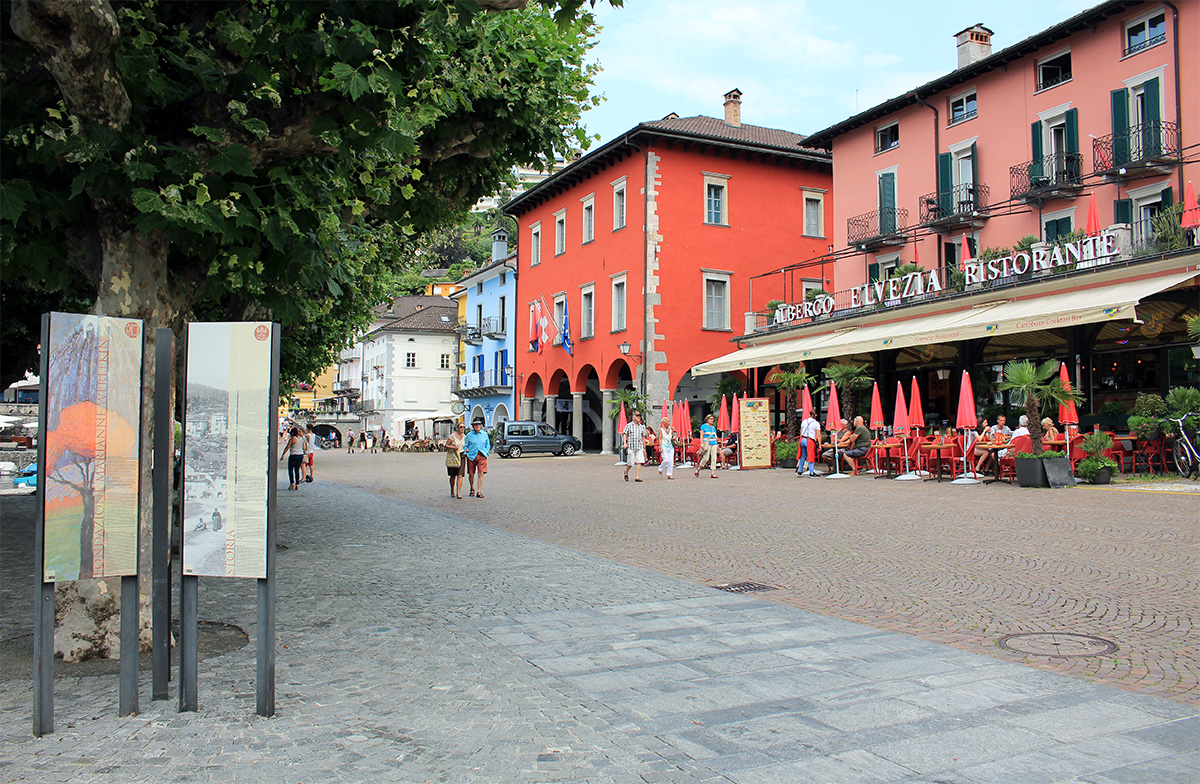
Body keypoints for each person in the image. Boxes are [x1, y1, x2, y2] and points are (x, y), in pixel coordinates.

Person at [463, 418, 490, 498]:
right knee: (471, 473)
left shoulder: (484, 434)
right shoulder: (469, 435)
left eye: (479, 425)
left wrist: (486, 452)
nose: (477, 426)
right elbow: (466, 445)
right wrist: (466, 452)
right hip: (471, 456)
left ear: (480, 426)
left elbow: (487, 445)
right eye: (476, 425)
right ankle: (472, 488)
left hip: (482, 455)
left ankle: (479, 491)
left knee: (481, 473)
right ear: (473, 426)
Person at [622, 410, 649, 482]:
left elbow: (644, 436)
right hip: (631, 445)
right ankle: (626, 471)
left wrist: (644, 446)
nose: (639, 417)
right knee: (630, 463)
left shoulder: (641, 427)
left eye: (639, 416)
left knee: (640, 461)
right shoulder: (629, 425)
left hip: (639, 445)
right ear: (634, 417)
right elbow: (625, 434)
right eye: (637, 416)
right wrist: (625, 443)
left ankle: (637, 476)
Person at [279, 426, 305, 490]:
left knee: (291, 469)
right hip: (300, 455)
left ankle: (292, 483)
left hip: (294, 455)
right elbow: (304, 447)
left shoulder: (292, 439)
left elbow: (287, 447)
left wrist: (283, 455)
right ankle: (297, 484)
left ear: (293, 433)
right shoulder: (301, 439)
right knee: (297, 470)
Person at [444, 422, 466, 498]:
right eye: (461, 427)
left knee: (460, 475)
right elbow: (446, 445)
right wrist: (453, 447)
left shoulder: (465, 437)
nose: (462, 429)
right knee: (453, 476)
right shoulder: (452, 436)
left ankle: (458, 493)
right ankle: (452, 490)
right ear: (457, 428)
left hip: (461, 456)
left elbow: (466, 446)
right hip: (453, 456)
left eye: (463, 427)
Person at [695, 414, 719, 478]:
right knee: (706, 458)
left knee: (714, 458)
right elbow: (701, 435)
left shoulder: (713, 427)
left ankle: (713, 473)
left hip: (714, 443)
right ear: (707, 419)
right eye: (711, 419)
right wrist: (702, 443)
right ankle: (698, 469)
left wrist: (717, 445)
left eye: (713, 419)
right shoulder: (703, 426)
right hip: (707, 444)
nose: (712, 420)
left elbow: (715, 436)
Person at [798, 409, 821, 476]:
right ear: (816, 415)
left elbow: (801, 431)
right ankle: (811, 472)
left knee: (803, 455)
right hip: (810, 440)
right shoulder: (816, 423)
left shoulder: (804, 421)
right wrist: (819, 444)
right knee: (810, 455)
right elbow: (818, 435)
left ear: (809, 414)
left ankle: (800, 470)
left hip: (802, 439)